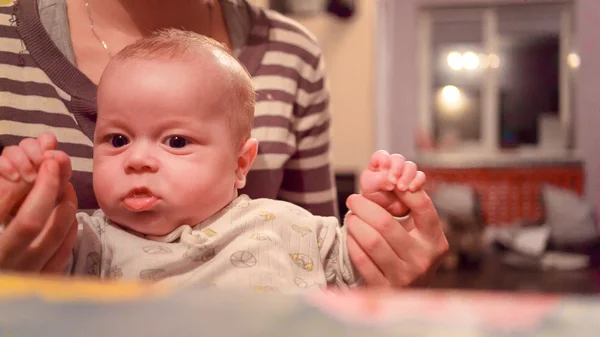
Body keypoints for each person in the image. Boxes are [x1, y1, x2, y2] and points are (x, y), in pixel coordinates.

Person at [0, 0, 448, 285]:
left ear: (241, 165)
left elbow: (348, 266)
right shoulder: (85, 242)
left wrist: (385, 216)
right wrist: (25, 204)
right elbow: (40, 285)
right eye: (116, 139)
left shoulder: (279, 225)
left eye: (175, 141)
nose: (137, 159)